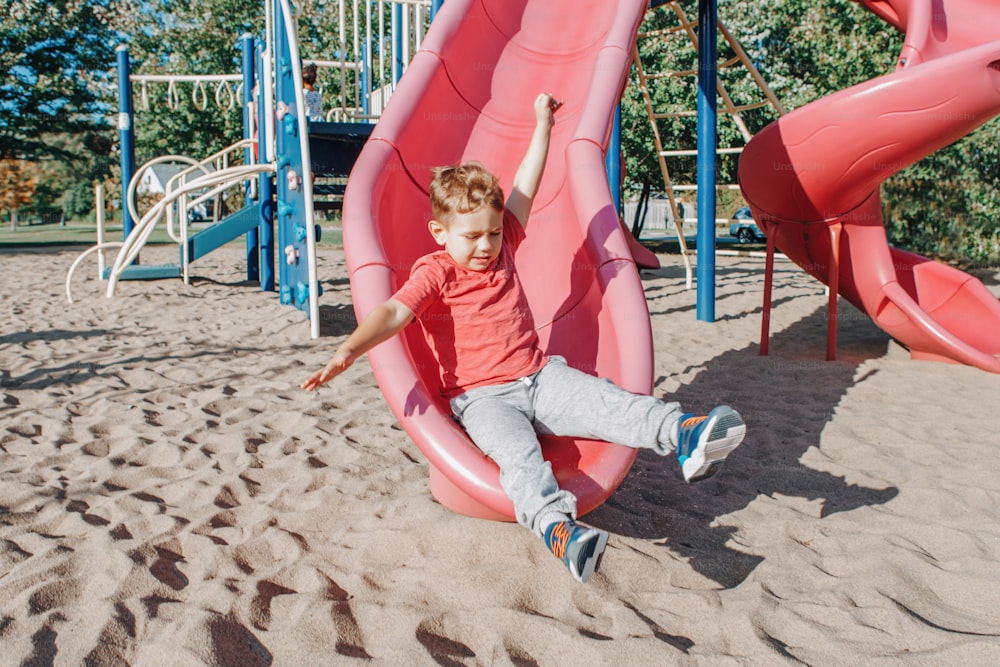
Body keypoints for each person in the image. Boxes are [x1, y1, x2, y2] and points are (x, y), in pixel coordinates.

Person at [301, 93, 747, 583]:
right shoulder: (436, 271)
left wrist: (543, 125)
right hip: (481, 400)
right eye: (471, 236)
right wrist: (348, 348)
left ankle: (684, 435)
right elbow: (392, 312)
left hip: (539, 377)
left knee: (609, 402)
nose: (486, 245)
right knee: (520, 459)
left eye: (492, 233)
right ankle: (559, 530)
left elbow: (526, 186)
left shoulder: (505, 242)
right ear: (439, 233)